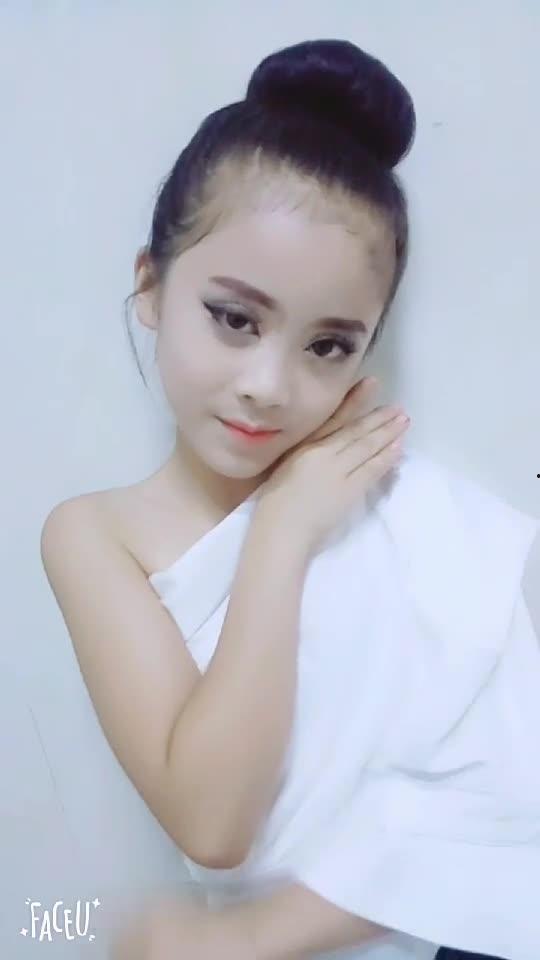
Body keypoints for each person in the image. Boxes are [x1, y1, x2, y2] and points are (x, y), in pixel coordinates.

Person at [40, 38, 539, 960]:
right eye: (235, 318)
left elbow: (509, 806)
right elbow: (213, 823)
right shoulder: (96, 535)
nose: (268, 386)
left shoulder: (415, 512)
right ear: (150, 284)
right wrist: (281, 532)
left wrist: (250, 938)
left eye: (327, 346)